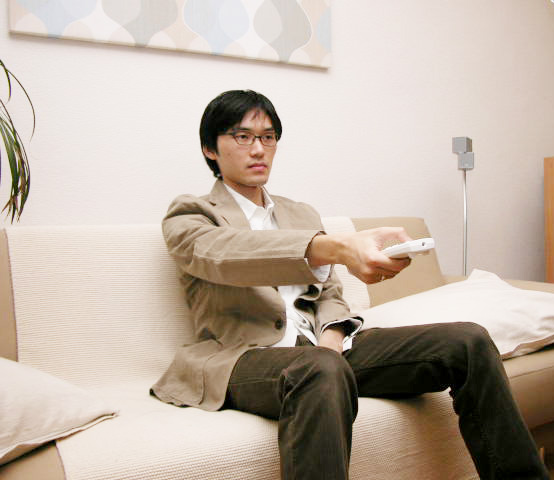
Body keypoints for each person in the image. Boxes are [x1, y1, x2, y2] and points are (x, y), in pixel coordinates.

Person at [151, 90, 549, 480]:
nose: (258, 149)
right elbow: (225, 255)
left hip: (323, 355)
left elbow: (329, 293)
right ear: (210, 149)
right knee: (319, 368)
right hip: (243, 357)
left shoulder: (300, 213)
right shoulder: (192, 214)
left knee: (468, 341)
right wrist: (335, 247)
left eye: (268, 137)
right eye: (242, 136)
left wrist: (333, 336)